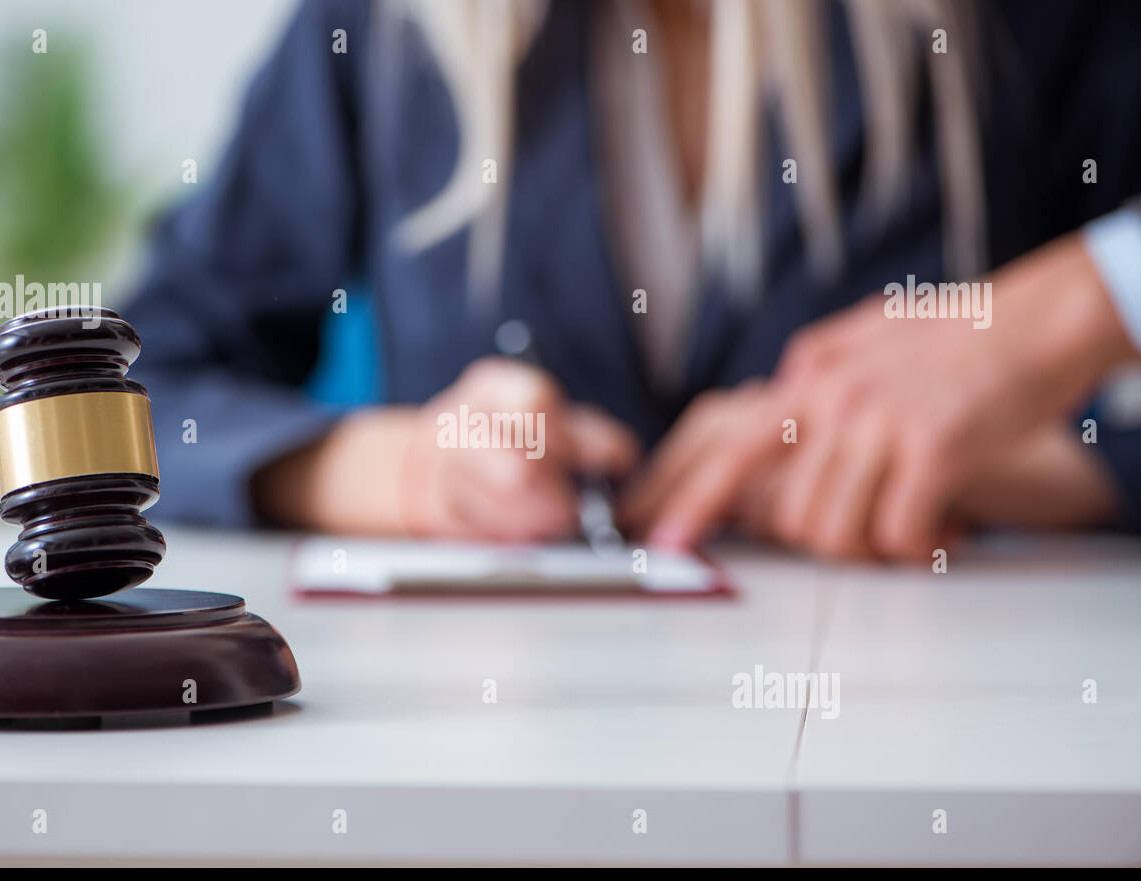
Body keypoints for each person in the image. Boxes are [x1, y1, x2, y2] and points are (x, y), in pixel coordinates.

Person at [124, 0, 1141, 559]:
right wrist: (398, 469)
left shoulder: (1019, 27)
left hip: (935, 732)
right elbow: (123, 391)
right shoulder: (381, 31)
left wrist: (1061, 434)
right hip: (500, 765)